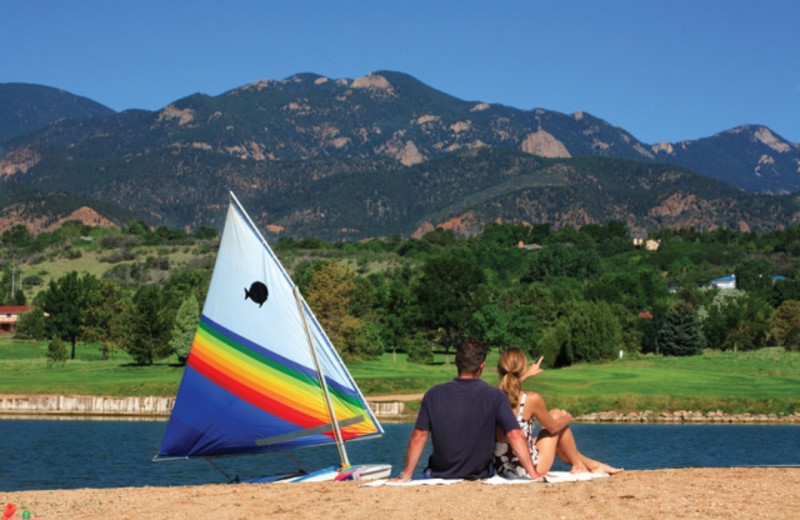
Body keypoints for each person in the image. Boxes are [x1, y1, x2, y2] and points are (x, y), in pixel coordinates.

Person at [394, 339, 542, 481]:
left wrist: (406, 475)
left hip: (440, 474)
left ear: (457, 362)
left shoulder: (433, 394)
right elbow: (515, 435)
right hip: (479, 475)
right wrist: (533, 474)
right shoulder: (495, 396)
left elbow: (418, 436)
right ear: (482, 366)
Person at [493, 348, 623, 477]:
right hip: (527, 468)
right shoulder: (531, 399)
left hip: (502, 466)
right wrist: (567, 418)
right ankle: (579, 465)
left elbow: (504, 388)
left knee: (559, 442)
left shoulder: (492, 397)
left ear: (499, 369)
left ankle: (593, 465)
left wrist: (525, 375)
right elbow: (553, 427)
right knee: (557, 416)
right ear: (522, 368)